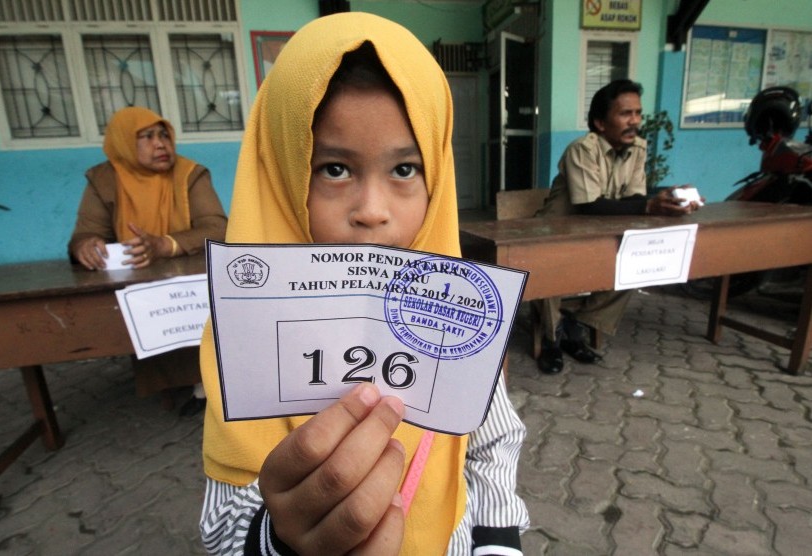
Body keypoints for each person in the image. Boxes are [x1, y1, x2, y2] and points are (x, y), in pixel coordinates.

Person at [198, 13, 529, 555]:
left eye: (404, 170)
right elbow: (222, 526)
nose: (372, 213)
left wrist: (497, 543)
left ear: (438, 177)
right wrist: (281, 540)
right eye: (333, 169)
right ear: (282, 173)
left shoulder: (456, 319)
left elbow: (492, 441)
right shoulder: (246, 341)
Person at [534, 79, 702, 375]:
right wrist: (650, 206)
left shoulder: (638, 148)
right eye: (625, 114)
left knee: (635, 263)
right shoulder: (582, 150)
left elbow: (635, 197)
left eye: (637, 113)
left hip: (598, 231)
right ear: (600, 122)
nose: (634, 121)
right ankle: (552, 339)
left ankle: (578, 321)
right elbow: (590, 206)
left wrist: (669, 200)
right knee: (547, 265)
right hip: (558, 231)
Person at [68, 106, 228, 415]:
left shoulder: (189, 174)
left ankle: (205, 385)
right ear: (124, 142)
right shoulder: (104, 179)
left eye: (164, 135)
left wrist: (166, 245)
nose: (161, 145)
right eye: (147, 137)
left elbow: (218, 229)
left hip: (191, 275)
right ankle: (173, 381)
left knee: (204, 323)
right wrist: (85, 246)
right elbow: (86, 231)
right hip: (139, 279)